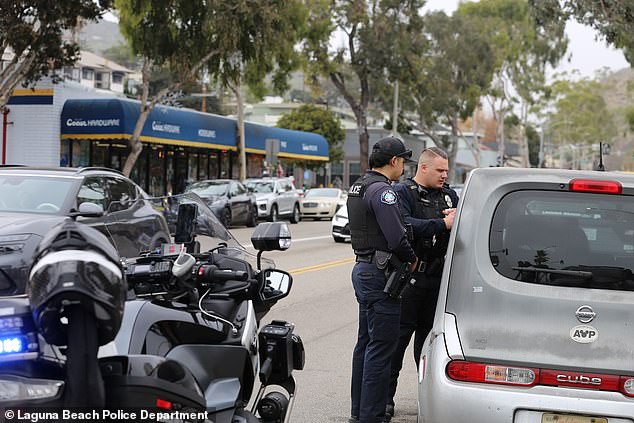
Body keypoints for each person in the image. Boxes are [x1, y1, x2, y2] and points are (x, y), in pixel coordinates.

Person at [385, 147, 459, 421]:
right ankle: (385, 401)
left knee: (429, 351)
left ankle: (427, 402)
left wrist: (457, 220)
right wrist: (443, 223)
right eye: (439, 170)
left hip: (438, 283)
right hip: (410, 283)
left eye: (446, 171)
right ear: (424, 168)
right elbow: (404, 226)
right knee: (396, 346)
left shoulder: (450, 195)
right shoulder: (404, 193)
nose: (444, 175)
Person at [347, 136, 418, 423]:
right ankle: (371, 417)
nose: (403, 166)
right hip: (381, 274)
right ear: (394, 161)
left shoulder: (359, 186)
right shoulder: (383, 191)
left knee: (365, 344)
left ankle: (359, 413)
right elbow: (396, 236)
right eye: (403, 160)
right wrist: (412, 257)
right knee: (381, 349)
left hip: (364, 269)